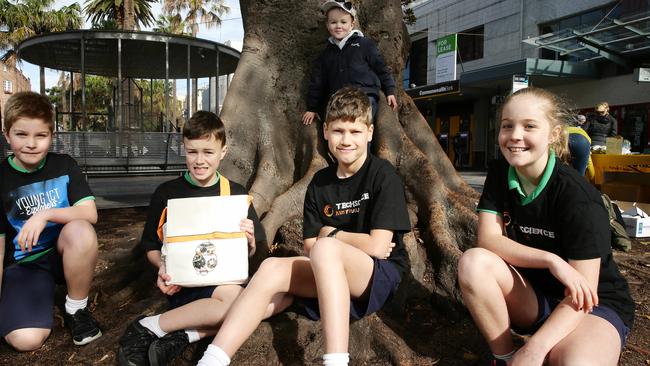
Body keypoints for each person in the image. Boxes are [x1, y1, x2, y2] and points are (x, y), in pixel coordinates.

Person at [198, 87, 411, 366]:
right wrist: (332, 241)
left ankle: (335, 361)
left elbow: (379, 247)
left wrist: (332, 233)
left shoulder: (383, 176)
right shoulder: (320, 182)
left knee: (326, 248)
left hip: (378, 276)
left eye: (355, 132)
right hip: (329, 269)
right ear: (325, 131)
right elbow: (310, 247)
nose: (346, 140)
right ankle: (213, 358)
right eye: (338, 131)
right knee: (271, 267)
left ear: (369, 133)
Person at [458, 87, 634, 366]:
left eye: (529, 126)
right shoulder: (500, 172)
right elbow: (489, 240)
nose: (515, 135)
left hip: (590, 304)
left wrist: (534, 350)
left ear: (553, 134)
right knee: (474, 262)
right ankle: (503, 358)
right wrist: (551, 260)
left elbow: (583, 291)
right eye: (507, 126)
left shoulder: (578, 197)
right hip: (535, 298)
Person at [117, 111, 266, 366]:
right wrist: (162, 266)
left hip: (224, 282)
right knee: (244, 308)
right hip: (183, 283)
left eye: (208, 152)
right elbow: (151, 245)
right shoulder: (167, 193)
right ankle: (162, 328)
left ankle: (170, 332)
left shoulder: (236, 194)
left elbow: (255, 252)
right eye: (192, 151)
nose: (199, 160)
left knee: (241, 303)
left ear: (223, 151)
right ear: (183, 149)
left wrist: (251, 242)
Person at [0, 91, 102, 351]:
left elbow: (90, 213)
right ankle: (35, 300)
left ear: (51, 136)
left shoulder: (64, 165)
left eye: (41, 135)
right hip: (26, 265)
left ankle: (76, 309)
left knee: (81, 230)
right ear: (6, 134)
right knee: (25, 341)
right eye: (22, 134)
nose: (31, 143)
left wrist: (44, 214)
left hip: (64, 252)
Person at [302, 0, 398, 126]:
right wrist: (312, 108)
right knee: (337, 130)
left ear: (352, 24)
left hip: (365, 96)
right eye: (333, 22)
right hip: (338, 100)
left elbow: (381, 68)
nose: (338, 26)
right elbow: (317, 82)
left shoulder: (364, 44)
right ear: (327, 25)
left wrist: (390, 91)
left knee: (359, 130)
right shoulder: (326, 54)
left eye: (343, 22)